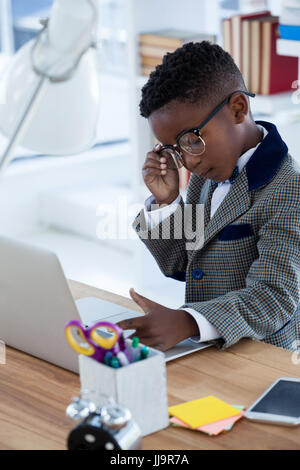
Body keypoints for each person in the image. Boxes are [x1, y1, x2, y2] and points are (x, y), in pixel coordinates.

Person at [117, 41, 300, 352]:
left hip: (263, 359)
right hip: (208, 350)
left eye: (191, 140)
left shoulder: (289, 192)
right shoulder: (206, 178)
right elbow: (182, 264)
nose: (187, 161)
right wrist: (166, 203)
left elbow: (274, 296)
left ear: (238, 109)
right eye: (175, 149)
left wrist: (188, 321)